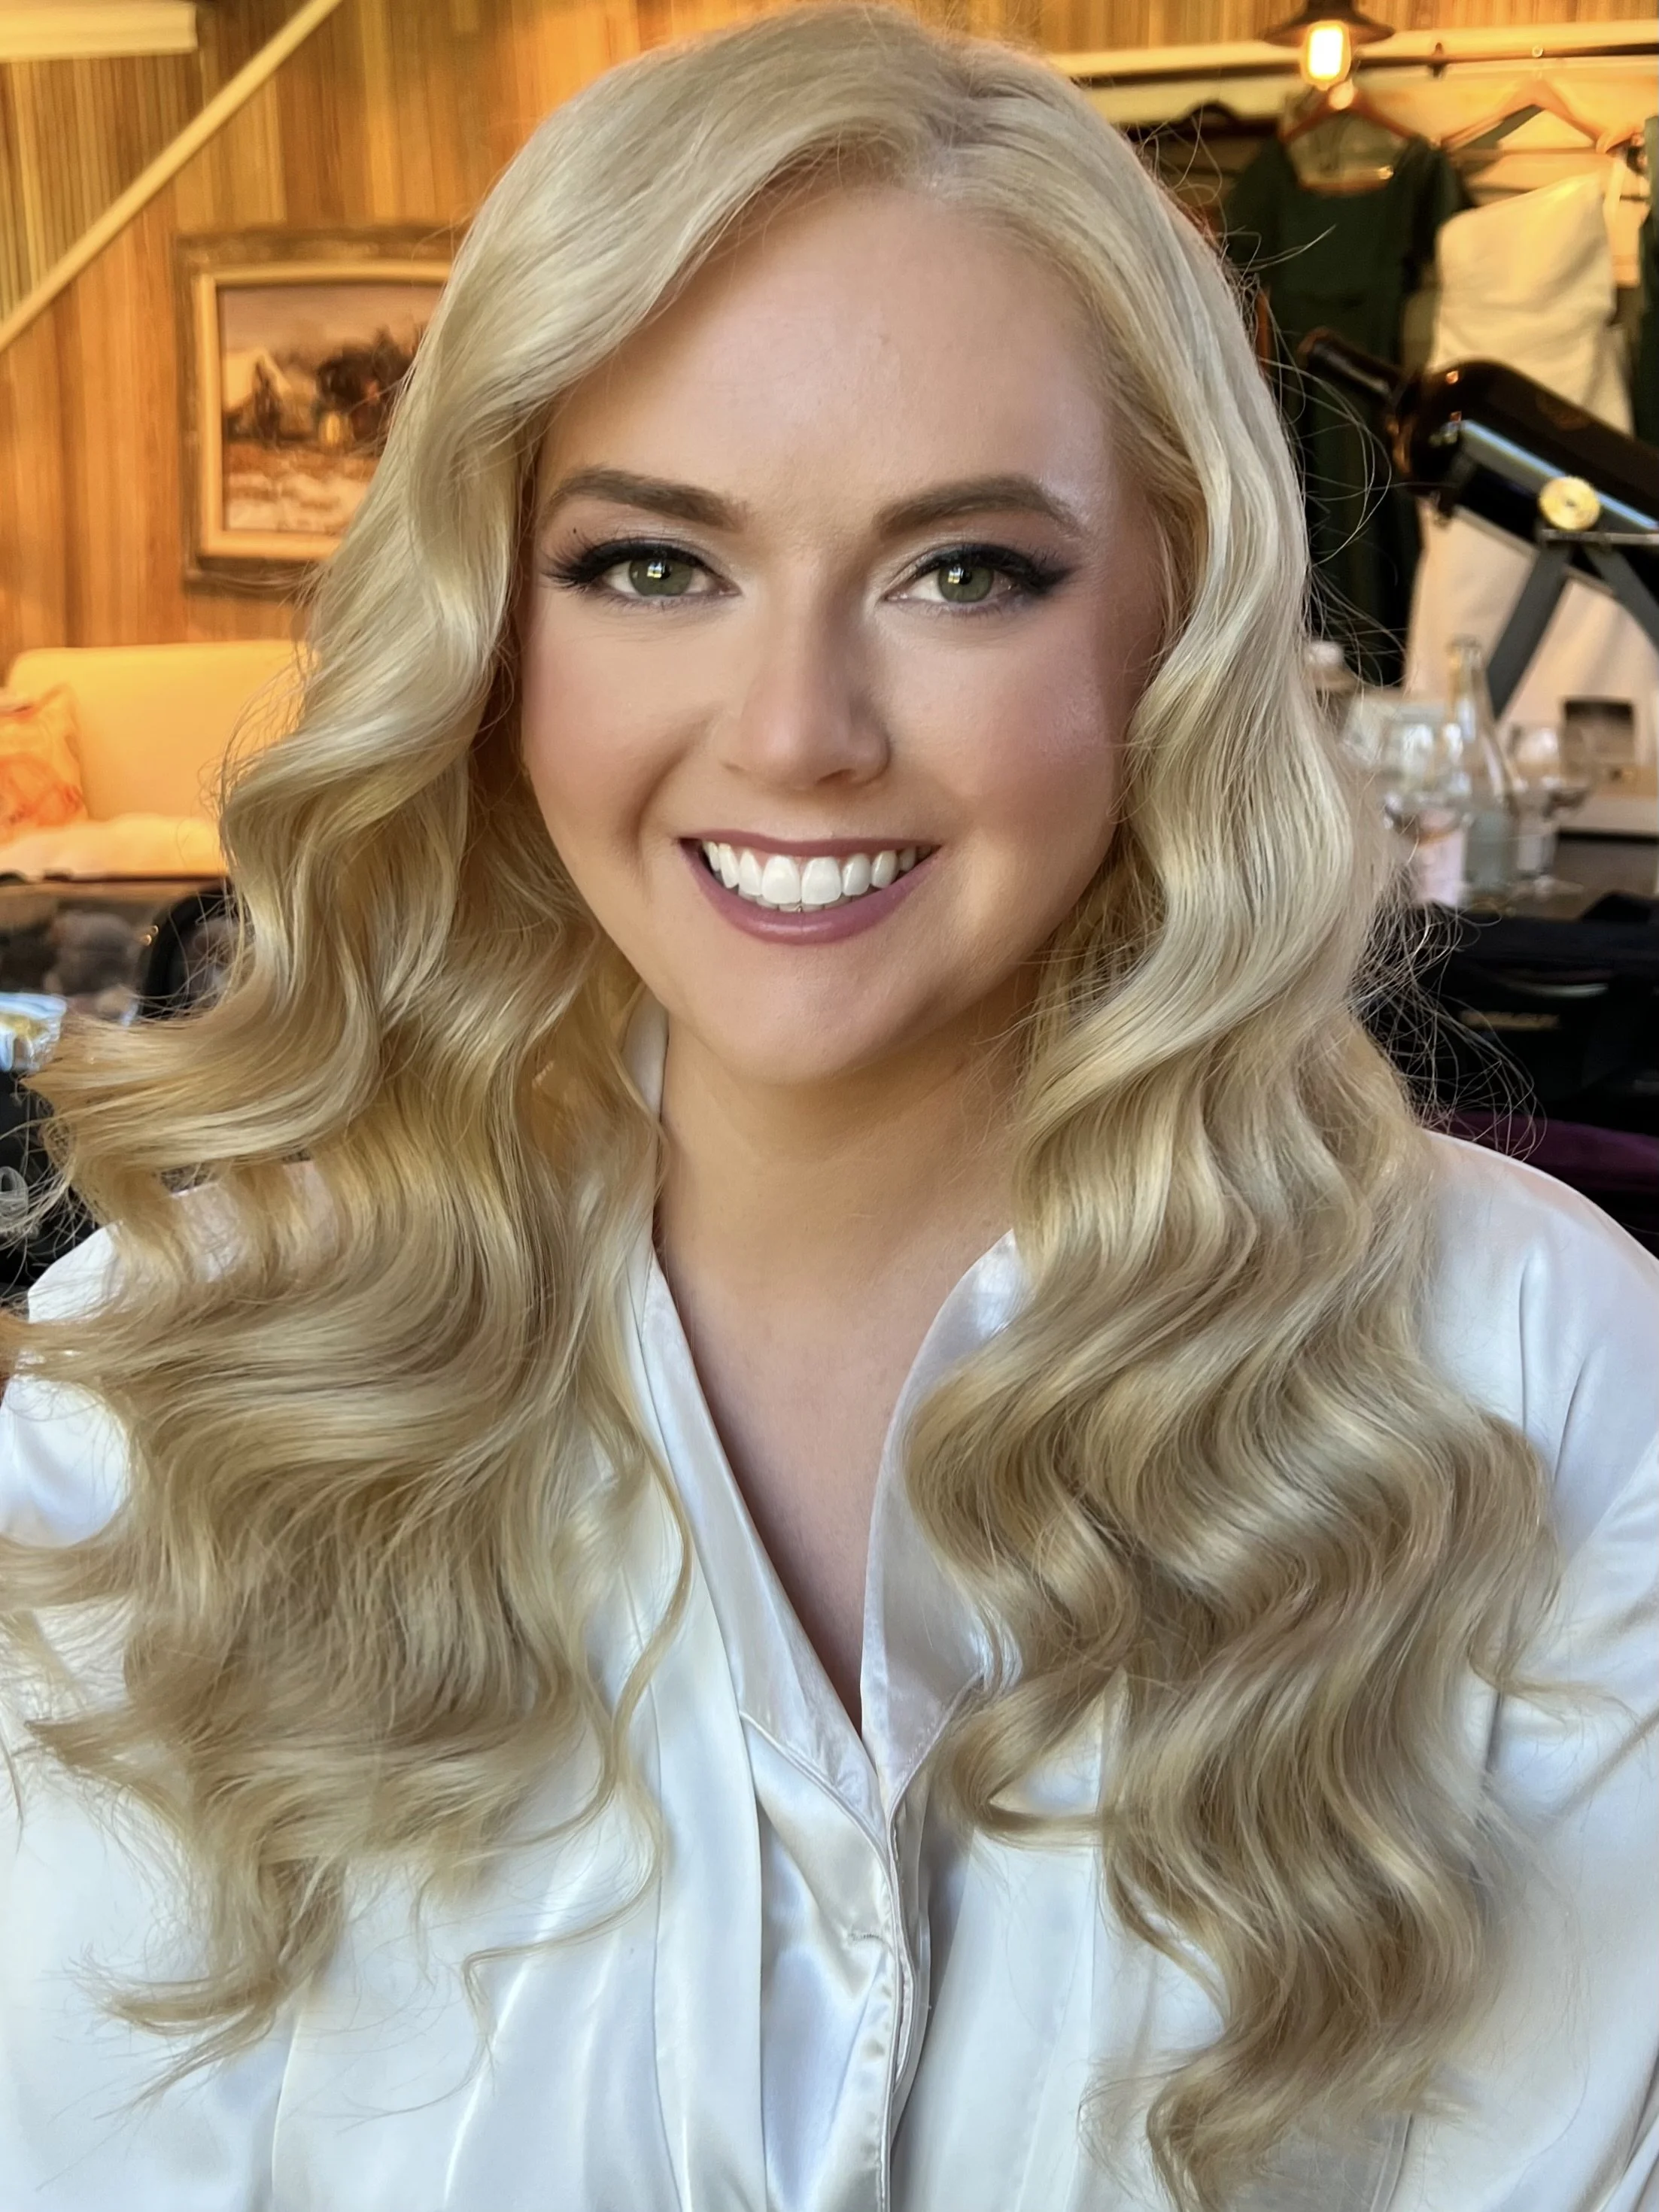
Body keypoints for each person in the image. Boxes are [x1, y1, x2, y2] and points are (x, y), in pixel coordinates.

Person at [2, 11, 1654, 2210]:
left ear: (1170, 614)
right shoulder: (167, 1391)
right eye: (650, 563)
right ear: (497, 629)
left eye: (963, 568)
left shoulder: (1535, 1382)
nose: (794, 733)